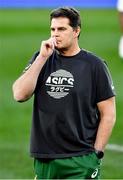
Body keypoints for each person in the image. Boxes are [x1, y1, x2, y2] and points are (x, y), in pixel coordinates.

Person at [12, 7, 116, 179]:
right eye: (52, 29)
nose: (55, 34)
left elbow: (109, 113)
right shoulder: (42, 59)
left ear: (76, 31)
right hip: (45, 158)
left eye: (61, 29)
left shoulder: (94, 65)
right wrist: (42, 58)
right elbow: (19, 95)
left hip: (81, 159)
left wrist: (97, 152)